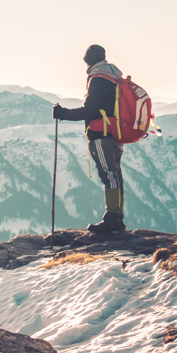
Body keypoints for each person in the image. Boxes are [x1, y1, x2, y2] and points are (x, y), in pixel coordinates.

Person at [52, 44, 127, 233]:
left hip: (101, 134)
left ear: (88, 60)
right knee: (115, 174)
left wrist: (63, 113)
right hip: (116, 133)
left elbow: (91, 110)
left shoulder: (98, 79)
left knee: (109, 174)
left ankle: (112, 219)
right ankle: (117, 218)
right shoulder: (113, 77)